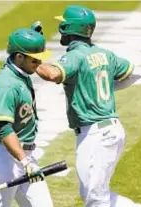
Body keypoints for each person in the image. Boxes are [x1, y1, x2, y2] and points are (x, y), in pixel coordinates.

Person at [35, 5, 135, 207]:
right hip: (111, 130)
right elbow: (130, 73)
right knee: (92, 192)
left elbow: (53, 74)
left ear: (68, 28)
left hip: (95, 135)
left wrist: (33, 58)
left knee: (95, 197)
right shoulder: (105, 54)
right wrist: (102, 88)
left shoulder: (75, 55)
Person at [0, 26, 53, 207]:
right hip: (3, 159)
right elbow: (3, 129)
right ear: (19, 57)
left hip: (23, 156)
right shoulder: (7, 86)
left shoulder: (20, 71)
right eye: (35, 60)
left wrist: (34, 36)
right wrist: (24, 160)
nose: (39, 64)